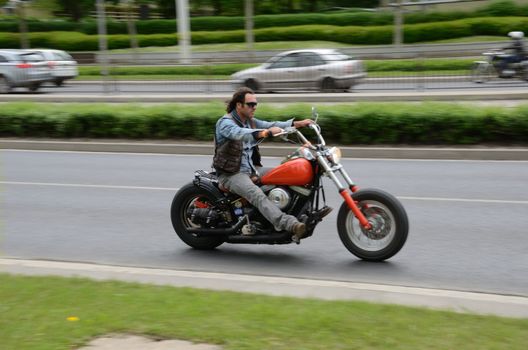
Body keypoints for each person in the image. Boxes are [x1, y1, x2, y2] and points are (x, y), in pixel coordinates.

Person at [213, 87, 313, 241]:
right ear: (239, 105)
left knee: (284, 175)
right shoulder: (225, 123)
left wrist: (298, 124)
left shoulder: (250, 122)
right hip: (231, 174)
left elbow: (271, 124)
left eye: (255, 104)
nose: (254, 107)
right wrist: (263, 133)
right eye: (250, 104)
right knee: (256, 194)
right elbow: (239, 133)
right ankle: (288, 224)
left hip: (251, 169)